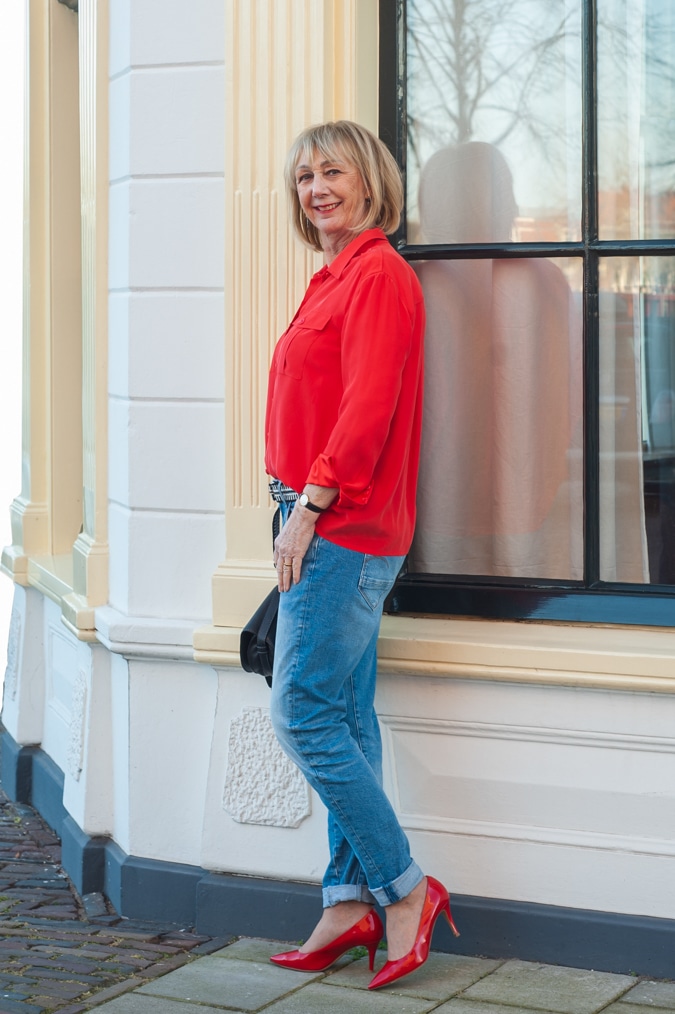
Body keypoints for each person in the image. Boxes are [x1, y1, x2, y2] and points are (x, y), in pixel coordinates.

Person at [264, 120, 459, 992]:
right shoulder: (333, 276)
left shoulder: (377, 275)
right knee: (344, 718)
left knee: (300, 713)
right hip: (319, 513)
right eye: (304, 176)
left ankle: (406, 889)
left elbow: (369, 407)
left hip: (337, 523)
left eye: (331, 171)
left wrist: (307, 507)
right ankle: (347, 903)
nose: (315, 188)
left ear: (369, 180)